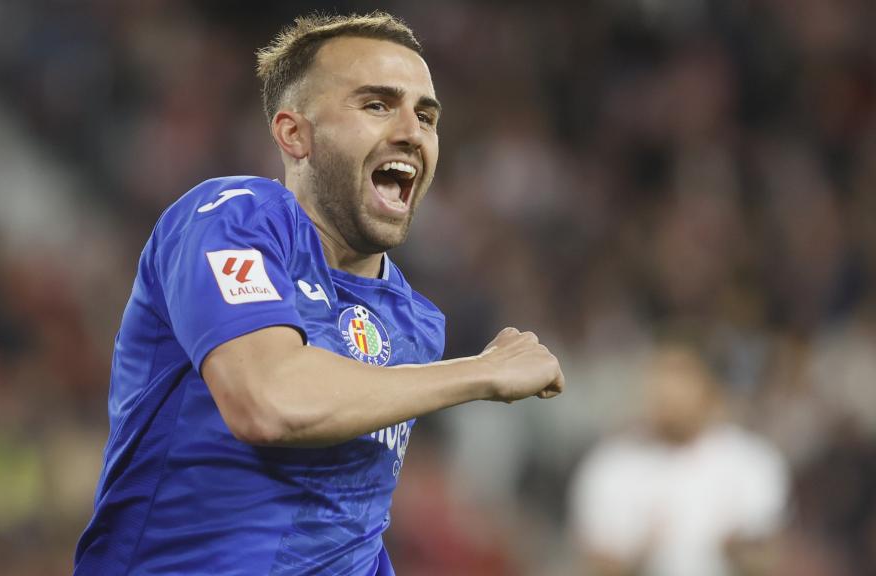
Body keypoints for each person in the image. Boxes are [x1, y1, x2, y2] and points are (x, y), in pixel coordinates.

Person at [74, 12, 564, 575]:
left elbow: (346, 522)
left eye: (426, 116)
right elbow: (267, 400)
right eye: (377, 105)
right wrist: (479, 373)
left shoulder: (414, 321)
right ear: (294, 134)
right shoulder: (233, 218)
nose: (412, 131)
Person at [569, 342, 789, 576]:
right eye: (659, 376)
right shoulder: (611, 464)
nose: (667, 390)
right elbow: (593, 563)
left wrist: (736, 549)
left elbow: (766, 559)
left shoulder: (751, 461)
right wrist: (639, 556)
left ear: (709, 386)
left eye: (681, 376)